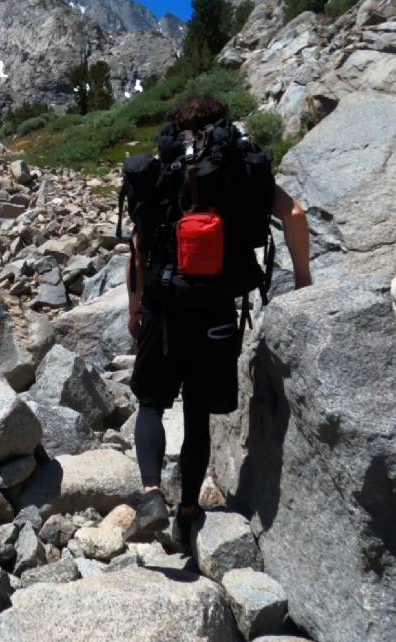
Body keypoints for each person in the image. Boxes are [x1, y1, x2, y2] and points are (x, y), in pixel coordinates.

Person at [125, 97, 313, 548]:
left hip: (164, 305)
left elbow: (139, 245)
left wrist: (135, 310)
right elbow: (296, 215)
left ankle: (151, 493)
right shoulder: (237, 166)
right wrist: (304, 281)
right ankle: (188, 512)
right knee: (196, 414)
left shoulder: (166, 165)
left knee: (151, 402)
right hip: (215, 309)